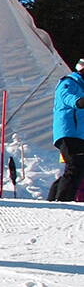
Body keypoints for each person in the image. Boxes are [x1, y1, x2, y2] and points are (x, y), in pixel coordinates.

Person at [49, 57, 84, 202]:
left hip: (79, 134)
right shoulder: (68, 82)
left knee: (77, 167)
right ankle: (63, 200)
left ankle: (56, 198)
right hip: (69, 132)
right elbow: (68, 98)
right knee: (74, 166)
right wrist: (78, 101)